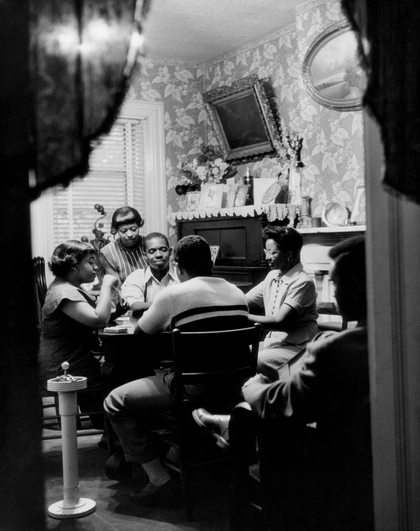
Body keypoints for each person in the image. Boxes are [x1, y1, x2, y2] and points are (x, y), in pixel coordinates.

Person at [194, 236, 373, 531]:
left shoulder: (337, 347)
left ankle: (233, 428)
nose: (333, 293)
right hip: (350, 448)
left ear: (355, 288)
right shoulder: (384, 341)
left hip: (331, 458)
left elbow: (284, 402)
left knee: (248, 377)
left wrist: (254, 385)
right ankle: (231, 423)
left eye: (336, 284)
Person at [104, 235, 249, 507]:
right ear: (210, 263)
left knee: (114, 401)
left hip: (193, 389)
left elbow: (141, 336)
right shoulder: (237, 292)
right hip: (234, 387)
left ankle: (159, 479)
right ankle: (175, 455)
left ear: (178, 266)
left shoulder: (173, 294)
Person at [38, 240, 118, 428]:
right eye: (90, 262)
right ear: (74, 267)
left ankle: (106, 426)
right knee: (118, 375)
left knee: (114, 372)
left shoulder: (65, 287)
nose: (96, 267)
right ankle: (111, 429)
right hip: (64, 366)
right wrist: (106, 285)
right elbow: (98, 320)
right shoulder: (64, 292)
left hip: (71, 360)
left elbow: (87, 318)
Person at [246, 226, 318, 381]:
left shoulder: (303, 282)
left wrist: (242, 317)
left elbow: (280, 322)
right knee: (237, 354)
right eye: (266, 252)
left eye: (272, 253)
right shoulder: (272, 276)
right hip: (275, 344)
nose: (267, 257)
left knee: (252, 359)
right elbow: (244, 301)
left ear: (289, 254)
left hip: (298, 349)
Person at [121, 232, 179, 314]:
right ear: (145, 255)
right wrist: (173, 304)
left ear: (170, 252)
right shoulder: (136, 277)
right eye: (152, 251)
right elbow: (135, 306)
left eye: (163, 250)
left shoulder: (182, 274)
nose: (158, 255)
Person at [100, 206, 148, 287]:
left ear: (140, 225)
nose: (129, 234)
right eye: (123, 231)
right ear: (115, 230)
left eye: (133, 229)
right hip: (124, 293)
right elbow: (117, 287)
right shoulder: (108, 252)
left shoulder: (149, 244)